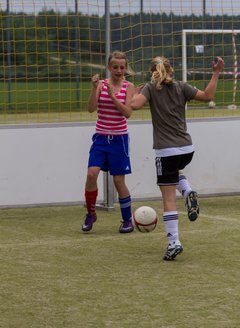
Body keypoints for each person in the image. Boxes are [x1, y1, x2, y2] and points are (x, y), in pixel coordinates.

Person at [131, 55, 224, 260]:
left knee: (168, 199)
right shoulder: (182, 86)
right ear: (171, 70)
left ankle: (174, 242)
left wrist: (133, 92)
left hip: (166, 151)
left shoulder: (149, 88)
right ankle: (188, 190)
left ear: (152, 72)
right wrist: (216, 72)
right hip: (187, 149)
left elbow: (134, 106)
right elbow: (208, 96)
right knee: (176, 173)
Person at [82, 50, 135, 233]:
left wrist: (113, 97)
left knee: (119, 181)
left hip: (119, 139)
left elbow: (127, 113)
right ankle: (91, 214)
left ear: (125, 68)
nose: (119, 70)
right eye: (115, 67)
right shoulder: (101, 85)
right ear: (108, 68)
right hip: (101, 138)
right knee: (91, 174)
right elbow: (90, 109)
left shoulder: (129, 86)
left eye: (122, 67)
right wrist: (93, 88)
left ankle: (127, 220)